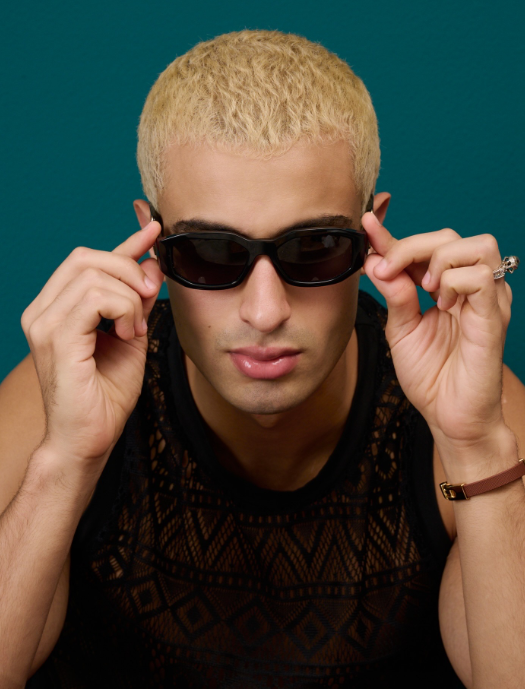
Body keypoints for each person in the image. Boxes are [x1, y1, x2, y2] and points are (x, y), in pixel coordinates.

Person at [1, 29, 524, 689]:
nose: (265, 310)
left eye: (314, 248)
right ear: (152, 243)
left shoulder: (466, 410)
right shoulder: (67, 391)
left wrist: (475, 448)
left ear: (371, 236)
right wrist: (67, 460)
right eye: (210, 253)